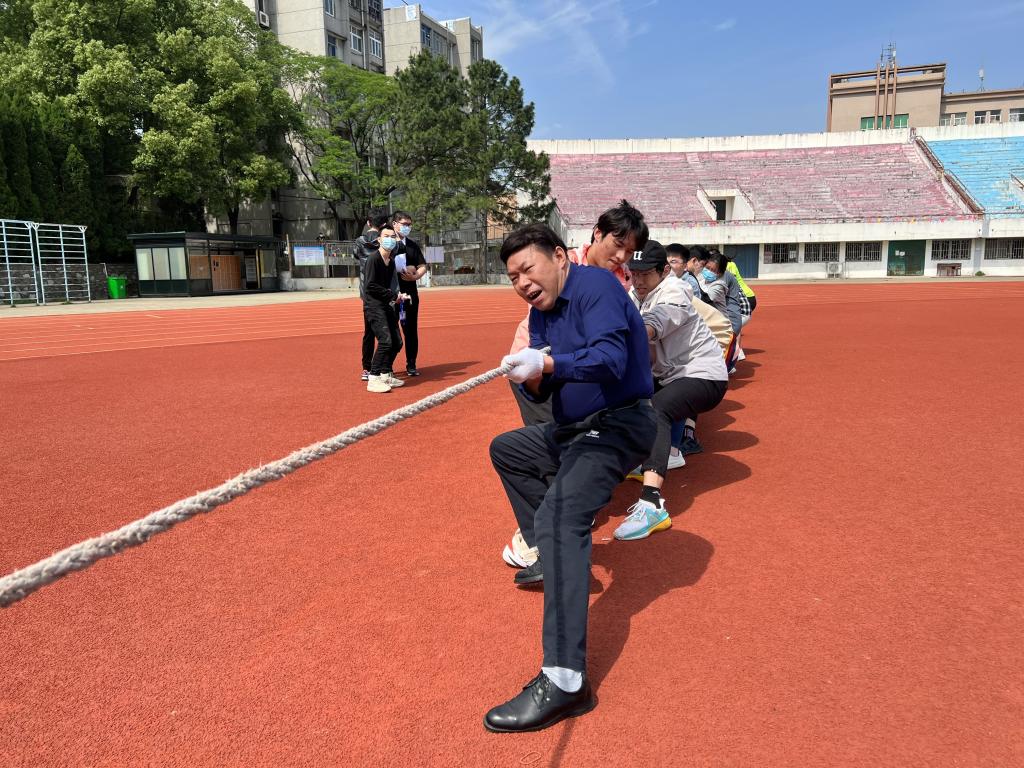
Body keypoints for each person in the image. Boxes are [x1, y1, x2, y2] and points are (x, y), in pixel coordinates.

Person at [485, 224, 657, 733]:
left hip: (618, 424)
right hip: (574, 429)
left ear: (559, 257)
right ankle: (550, 553)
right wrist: (533, 375)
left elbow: (610, 359)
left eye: (528, 269)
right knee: (508, 450)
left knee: (563, 516)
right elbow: (546, 386)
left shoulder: (595, 286)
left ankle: (565, 680)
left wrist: (548, 361)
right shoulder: (542, 313)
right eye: (513, 277)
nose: (522, 282)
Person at [614, 241, 728, 540]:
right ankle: (666, 454)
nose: (638, 281)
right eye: (634, 274)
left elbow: (656, 322)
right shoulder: (636, 294)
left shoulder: (675, 291)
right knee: (624, 401)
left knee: (657, 409)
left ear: (664, 271)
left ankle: (652, 505)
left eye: (646, 274)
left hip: (704, 376)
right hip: (670, 374)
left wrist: (625, 335)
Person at [507, 199, 649, 428]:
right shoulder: (564, 265)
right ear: (598, 233)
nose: (621, 256)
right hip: (538, 358)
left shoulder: (622, 277)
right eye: (618, 244)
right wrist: (540, 363)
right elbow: (546, 317)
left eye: (630, 251)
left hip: (578, 361)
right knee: (548, 428)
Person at [363, 226, 411, 393]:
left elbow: (387, 286)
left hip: (386, 304)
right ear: (379, 239)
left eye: (392, 236)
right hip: (373, 306)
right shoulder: (373, 259)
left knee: (397, 342)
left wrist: (398, 296)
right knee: (385, 341)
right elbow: (370, 286)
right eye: (386, 236)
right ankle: (373, 378)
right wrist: (392, 295)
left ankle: (385, 373)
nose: (390, 239)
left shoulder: (390, 261)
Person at [355, 212, 390, 381]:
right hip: (385, 289)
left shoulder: (359, 241)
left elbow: (356, 255)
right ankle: (385, 368)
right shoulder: (385, 241)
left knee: (369, 332)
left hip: (367, 291)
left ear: (368, 223)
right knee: (387, 330)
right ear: (383, 225)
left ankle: (366, 368)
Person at [391, 211, 428, 376]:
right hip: (391, 295)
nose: (407, 227)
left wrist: (415, 276)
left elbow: (422, 266)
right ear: (395, 224)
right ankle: (387, 366)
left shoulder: (412, 245)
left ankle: (411, 364)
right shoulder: (387, 244)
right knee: (390, 331)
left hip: (410, 295)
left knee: (411, 331)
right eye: (404, 224)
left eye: (409, 224)